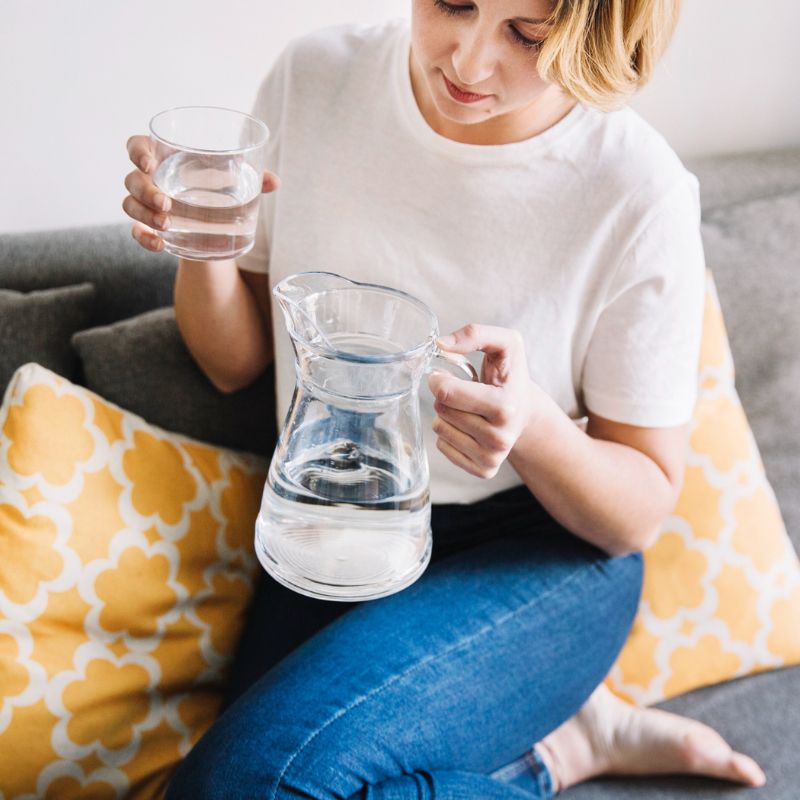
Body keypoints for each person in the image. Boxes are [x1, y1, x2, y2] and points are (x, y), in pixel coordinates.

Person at [123, 1, 768, 796]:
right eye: (452, 3)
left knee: (247, 784)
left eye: (526, 34)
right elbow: (235, 364)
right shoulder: (316, 79)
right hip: (338, 526)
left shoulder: (636, 189)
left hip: (536, 554)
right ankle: (549, 758)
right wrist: (204, 241)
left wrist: (531, 426)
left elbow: (637, 510)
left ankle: (560, 734)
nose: (467, 62)